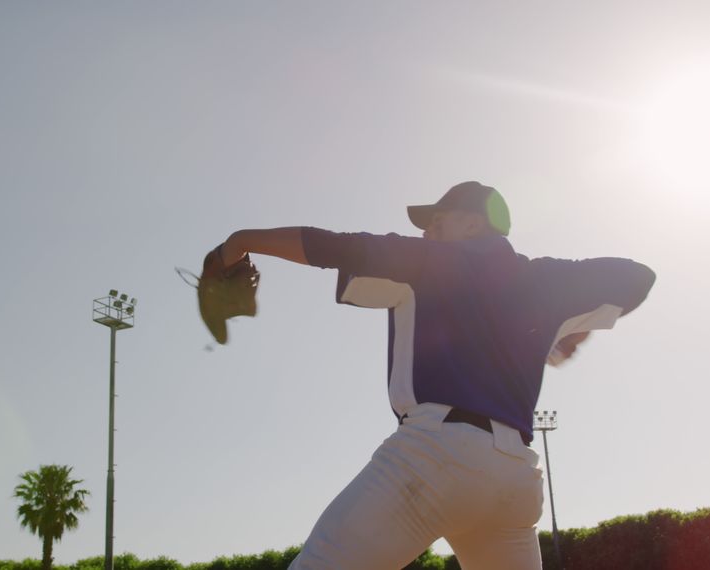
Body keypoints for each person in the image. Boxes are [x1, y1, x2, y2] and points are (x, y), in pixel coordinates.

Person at [214, 181, 656, 569]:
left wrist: (238, 242)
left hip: (437, 456)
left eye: (437, 222)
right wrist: (572, 330)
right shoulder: (544, 279)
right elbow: (637, 278)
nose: (426, 233)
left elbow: (336, 246)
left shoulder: (432, 259)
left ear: (471, 226)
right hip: (516, 480)